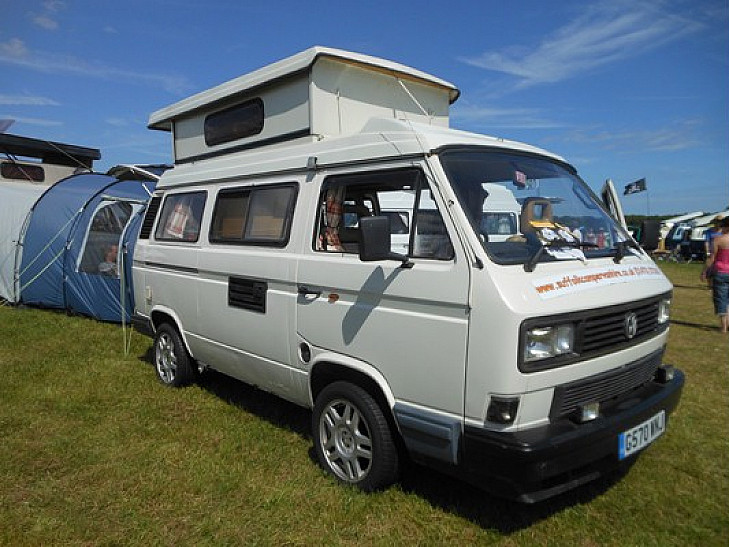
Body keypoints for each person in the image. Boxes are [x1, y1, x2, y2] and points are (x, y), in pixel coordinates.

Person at [701, 217, 729, 333]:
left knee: (721, 299)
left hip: (721, 272)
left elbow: (712, 258)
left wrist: (704, 271)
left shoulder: (717, 240)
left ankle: (723, 327)